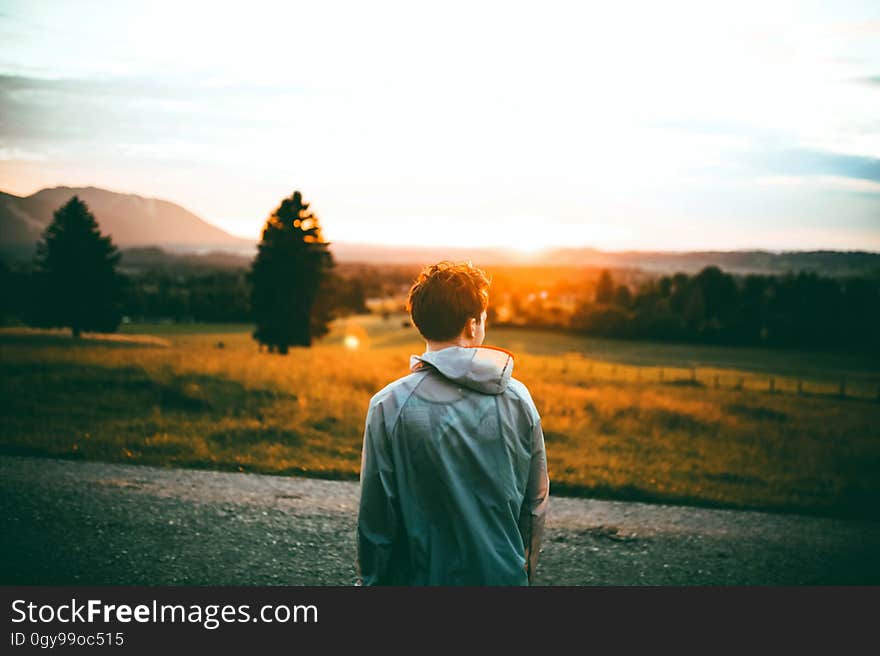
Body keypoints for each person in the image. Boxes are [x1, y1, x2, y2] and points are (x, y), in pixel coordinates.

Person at [356, 260, 549, 585]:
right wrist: (524, 574)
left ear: (420, 322)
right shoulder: (518, 399)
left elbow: (377, 518)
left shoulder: (388, 405)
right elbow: (534, 505)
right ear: (473, 325)